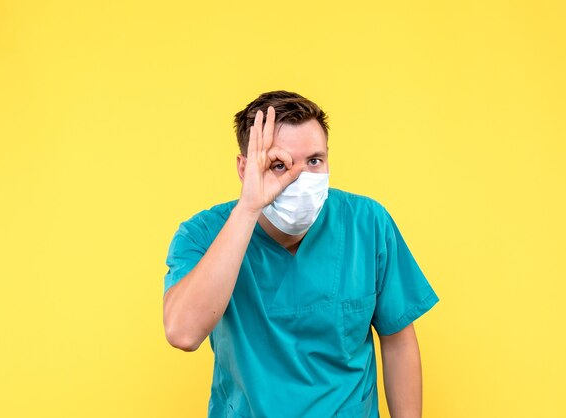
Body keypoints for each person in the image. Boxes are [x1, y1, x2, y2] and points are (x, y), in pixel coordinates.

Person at [162, 90, 440, 418]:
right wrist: (249, 208)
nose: (300, 178)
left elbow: (398, 342)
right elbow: (182, 332)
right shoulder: (203, 234)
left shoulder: (367, 223)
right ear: (244, 169)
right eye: (279, 164)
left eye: (314, 161)